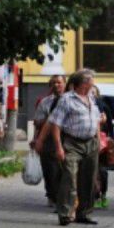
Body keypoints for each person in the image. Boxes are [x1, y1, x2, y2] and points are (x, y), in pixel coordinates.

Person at [46, 68, 105, 226]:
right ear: (83, 83)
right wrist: (58, 147)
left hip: (91, 142)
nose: (93, 83)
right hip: (72, 143)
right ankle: (65, 213)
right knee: (69, 177)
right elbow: (55, 124)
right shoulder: (67, 99)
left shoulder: (91, 97)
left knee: (89, 179)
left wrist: (98, 140)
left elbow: (96, 120)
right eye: (91, 80)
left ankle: (84, 213)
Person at [32, 74, 66, 206]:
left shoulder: (69, 100)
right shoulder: (45, 102)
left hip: (65, 139)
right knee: (50, 170)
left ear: (65, 84)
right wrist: (50, 119)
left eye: (59, 82)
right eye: (54, 83)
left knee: (63, 170)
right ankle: (52, 195)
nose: (56, 85)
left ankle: (62, 197)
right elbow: (37, 122)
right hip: (47, 140)